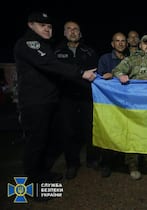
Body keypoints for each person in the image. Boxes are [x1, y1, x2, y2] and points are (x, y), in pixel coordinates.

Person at [13, 11, 96, 186]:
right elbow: (50, 64)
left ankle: (42, 174)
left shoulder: (45, 46)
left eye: (49, 26)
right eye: (42, 25)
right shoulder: (30, 44)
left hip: (48, 101)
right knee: (35, 143)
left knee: (44, 140)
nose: (47, 29)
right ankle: (33, 185)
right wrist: (81, 73)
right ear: (31, 25)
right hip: (35, 103)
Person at [112, 34, 147, 180]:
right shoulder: (131, 59)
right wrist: (121, 75)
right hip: (133, 105)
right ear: (140, 45)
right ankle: (133, 165)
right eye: (145, 43)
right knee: (133, 134)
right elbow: (117, 70)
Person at [53, 20, 100, 179]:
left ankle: (92, 160)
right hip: (66, 97)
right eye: (69, 29)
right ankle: (72, 164)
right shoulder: (56, 52)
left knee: (90, 129)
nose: (73, 32)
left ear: (80, 33)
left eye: (76, 29)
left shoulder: (89, 52)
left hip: (86, 96)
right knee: (68, 131)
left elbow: (94, 74)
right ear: (65, 33)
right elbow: (56, 74)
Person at [97, 32, 128, 177]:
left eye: (123, 41)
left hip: (126, 102)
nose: (120, 43)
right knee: (109, 131)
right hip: (110, 103)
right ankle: (107, 163)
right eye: (117, 41)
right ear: (112, 44)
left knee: (124, 131)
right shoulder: (105, 58)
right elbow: (100, 79)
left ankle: (123, 161)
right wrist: (108, 76)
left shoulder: (130, 59)